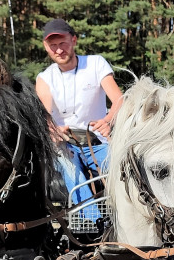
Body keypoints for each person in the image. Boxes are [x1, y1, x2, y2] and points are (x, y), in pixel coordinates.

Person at [34, 18, 122, 208]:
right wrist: (53, 130)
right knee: (70, 169)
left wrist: (108, 120)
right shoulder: (44, 78)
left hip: (98, 141)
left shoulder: (96, 64)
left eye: (63, 43)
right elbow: (44, 114)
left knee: (120, 173)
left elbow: (119, 100)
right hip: (66, 145)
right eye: (53, 45)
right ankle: (91, 222)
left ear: (74, 40)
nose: (59, 50)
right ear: (46, 47)